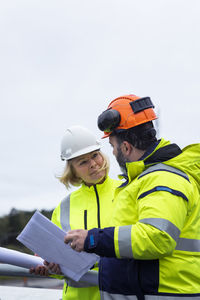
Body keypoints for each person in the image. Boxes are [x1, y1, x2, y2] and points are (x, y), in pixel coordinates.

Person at [64, 95, 200, 299]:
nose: (113, 152)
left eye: (112, 146)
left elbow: (156, 237)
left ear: (126, 147)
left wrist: (93, 238)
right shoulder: (146, 179)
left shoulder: (162, 178)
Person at [30, 125, 120, 300]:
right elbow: (56, 262)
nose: (93, 164)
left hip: (118, 295)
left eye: (95, 155)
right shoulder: (64, 207)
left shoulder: (126, 192)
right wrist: (48, 267)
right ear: (73, 170)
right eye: (83, 162)